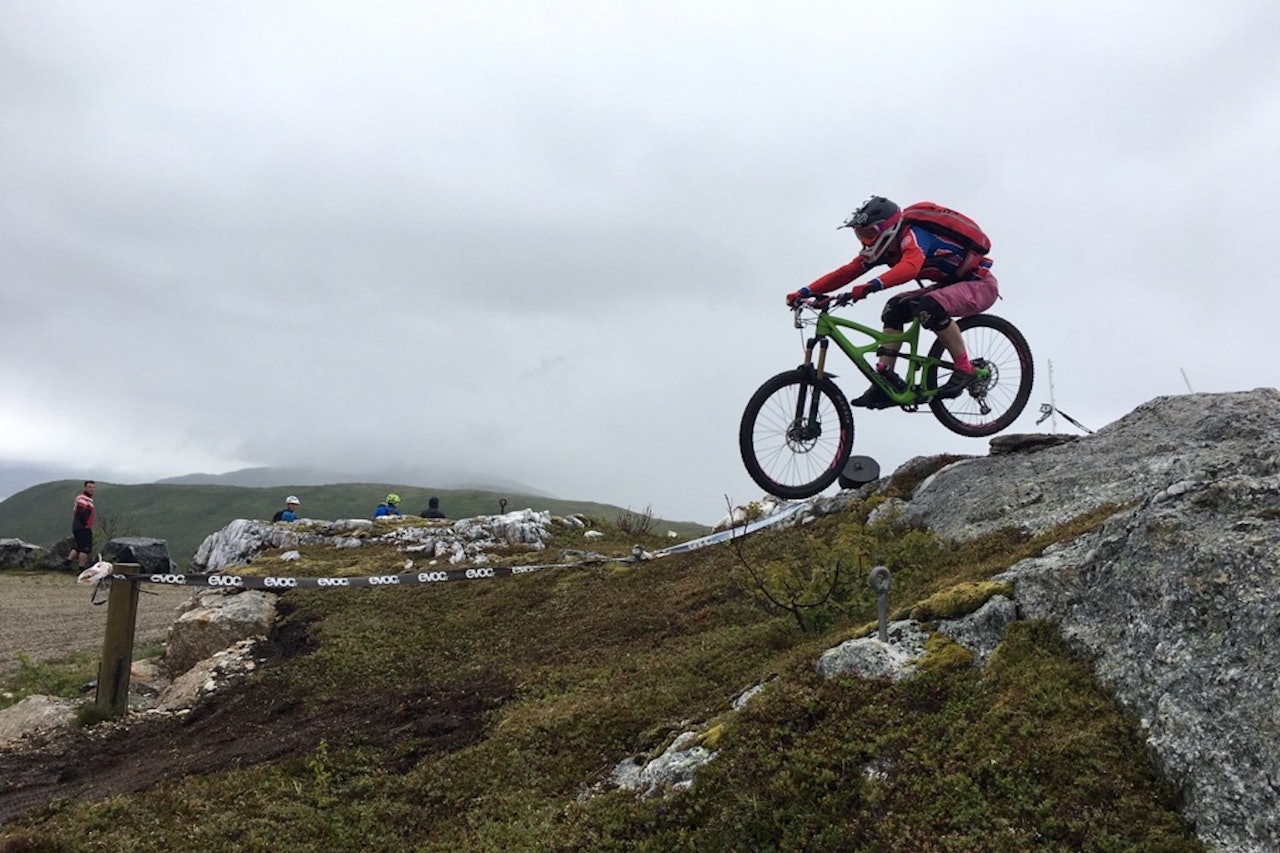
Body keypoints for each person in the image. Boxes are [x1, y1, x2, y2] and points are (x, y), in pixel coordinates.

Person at [786, 196, 999, 409]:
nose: (865, 240)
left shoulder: (914, 235)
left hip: (979, 284)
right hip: (948, 285)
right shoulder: (885, 249)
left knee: (931, 306)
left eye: (869, 233)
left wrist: (871, 285)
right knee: (894, 308)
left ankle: (964, 367)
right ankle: (885, 378)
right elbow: (846, 272)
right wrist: (804, 291)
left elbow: (910, 268)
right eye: (860, 234)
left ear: (888, 228)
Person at [66, 480, 96, 571]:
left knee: (78, 546)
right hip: (82, 526)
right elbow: (81, 512)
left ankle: (67, 563)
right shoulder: (82, 498)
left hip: (78, 526)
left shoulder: (87, 499)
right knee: (85, 548)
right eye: (89, 487)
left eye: (93, 488)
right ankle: (81, 569)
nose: (92, 489)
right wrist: (86, 524)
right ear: (85, 488)